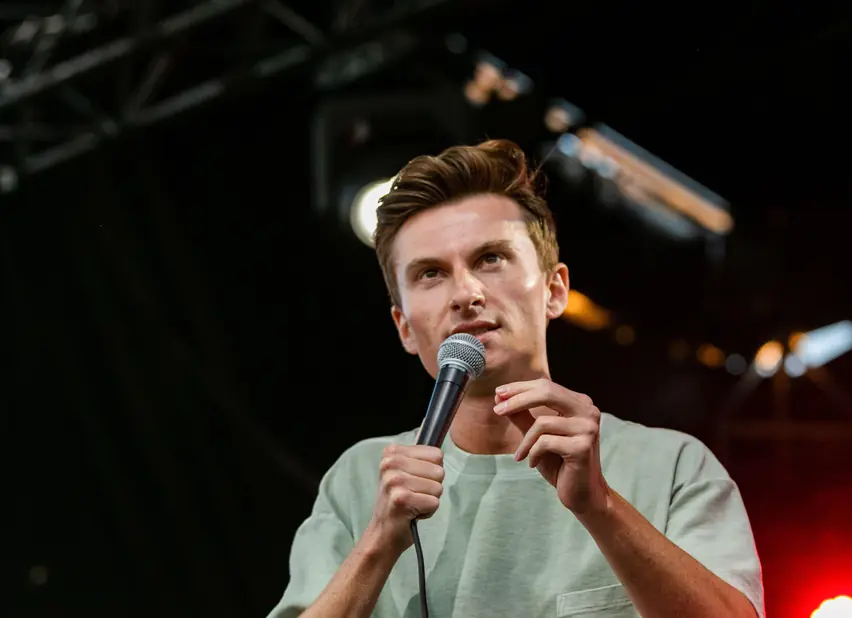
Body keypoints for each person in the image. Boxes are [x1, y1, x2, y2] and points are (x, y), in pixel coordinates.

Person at [268, 140, 764, 618]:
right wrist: (378, 542)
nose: (465, 293)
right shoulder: (360, 480)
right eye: (430, 274)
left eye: (490, 259)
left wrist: (601, 507)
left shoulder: (672, 467)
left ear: (554, 289)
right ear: (404, 328)